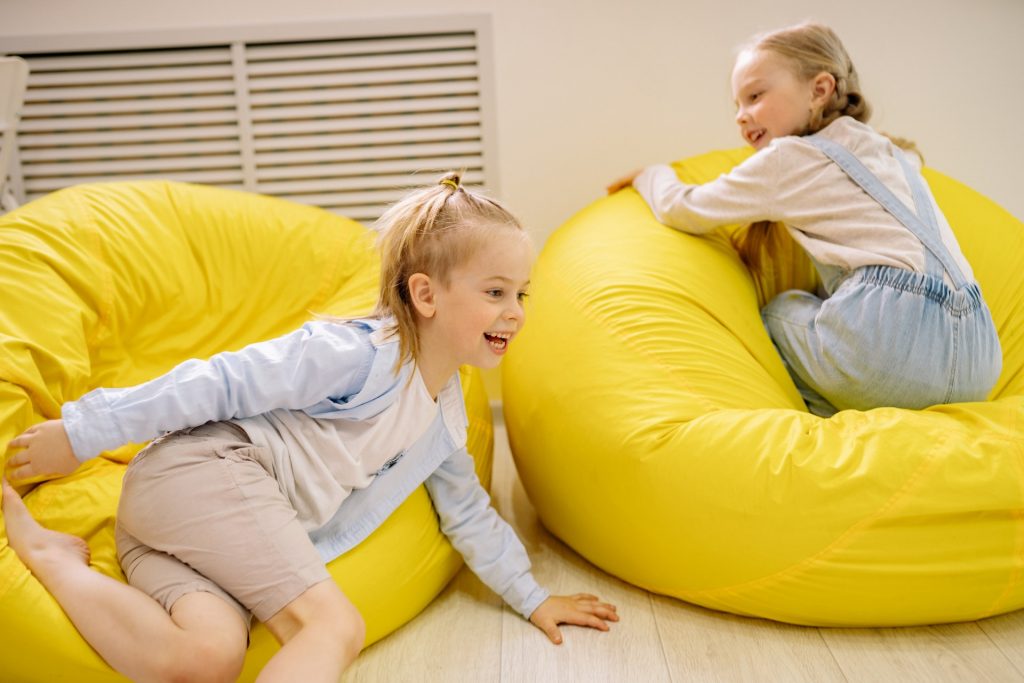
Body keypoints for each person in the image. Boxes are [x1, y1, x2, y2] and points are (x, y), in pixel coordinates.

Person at [2, 172, 618, 683]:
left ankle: (51, 559)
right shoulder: (357, 353)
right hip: (205, 474)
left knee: (206, 659)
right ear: (426, 296)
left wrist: (531, 595)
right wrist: (81, 433)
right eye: (495, 292)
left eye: (522, 294)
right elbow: (218, 380)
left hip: (175, 535)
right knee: (333, 625)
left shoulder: (445, 416)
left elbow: (468, 511)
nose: (514, 312)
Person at [607, 22, 1001, 417]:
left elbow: (684, 208)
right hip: (980, 355)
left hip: (888, 349)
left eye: (755, 95)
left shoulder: (788, 159)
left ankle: (828, 421)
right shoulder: (893, 153)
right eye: (737, 106)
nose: (741, 117)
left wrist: (650, 175)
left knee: (780, 310)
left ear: (819, 90)